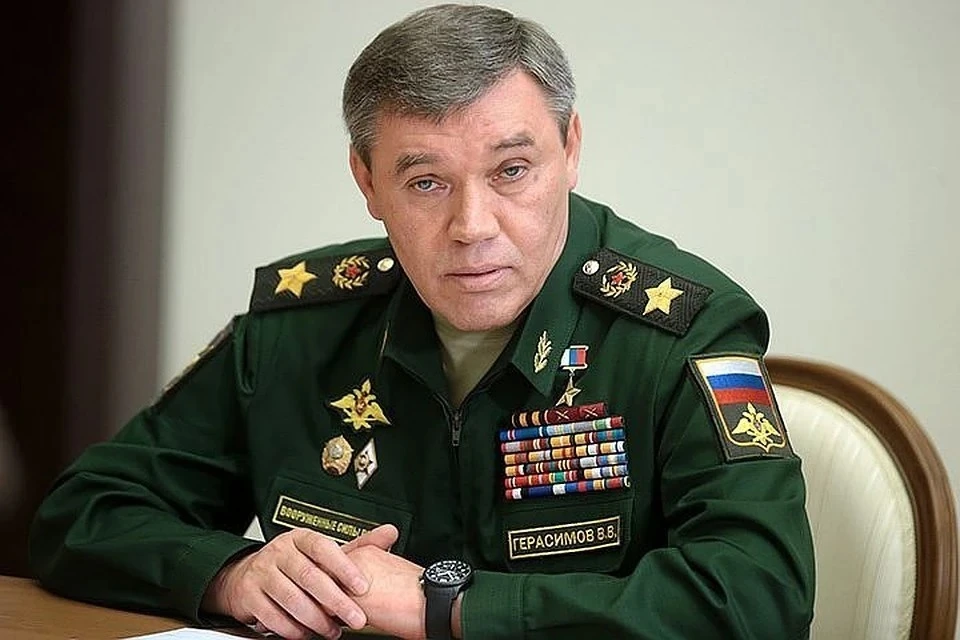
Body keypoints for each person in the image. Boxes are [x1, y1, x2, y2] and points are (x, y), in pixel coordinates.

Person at [30, 4, 814, 639]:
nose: (473, 227)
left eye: (512, 171)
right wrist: (233, 574)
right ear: (367, 181)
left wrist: (446, 607)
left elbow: (758, 596)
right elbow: (84, 513)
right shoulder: (299, 329)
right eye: (427, 183)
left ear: (570, 150)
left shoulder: (680, 332)